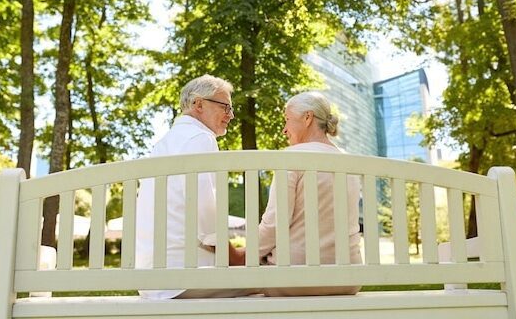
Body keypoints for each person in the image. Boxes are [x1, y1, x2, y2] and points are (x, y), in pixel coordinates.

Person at [234, 91, 363, 296]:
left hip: (294, 277)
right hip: (349, 278)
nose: (284, 129)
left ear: (307, 118)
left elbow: (275, 223)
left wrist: (243, 255)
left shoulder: (292, 157)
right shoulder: (349, 162)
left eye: (287, 120)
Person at [135, 74, 251, 299]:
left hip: (154, 279)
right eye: (225, 107)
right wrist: (236, 257)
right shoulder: (200, 137)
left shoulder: (166, 143)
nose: (231, 115)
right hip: (183, 277)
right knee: (277, 284)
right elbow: (206, 217)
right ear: (199, 104)